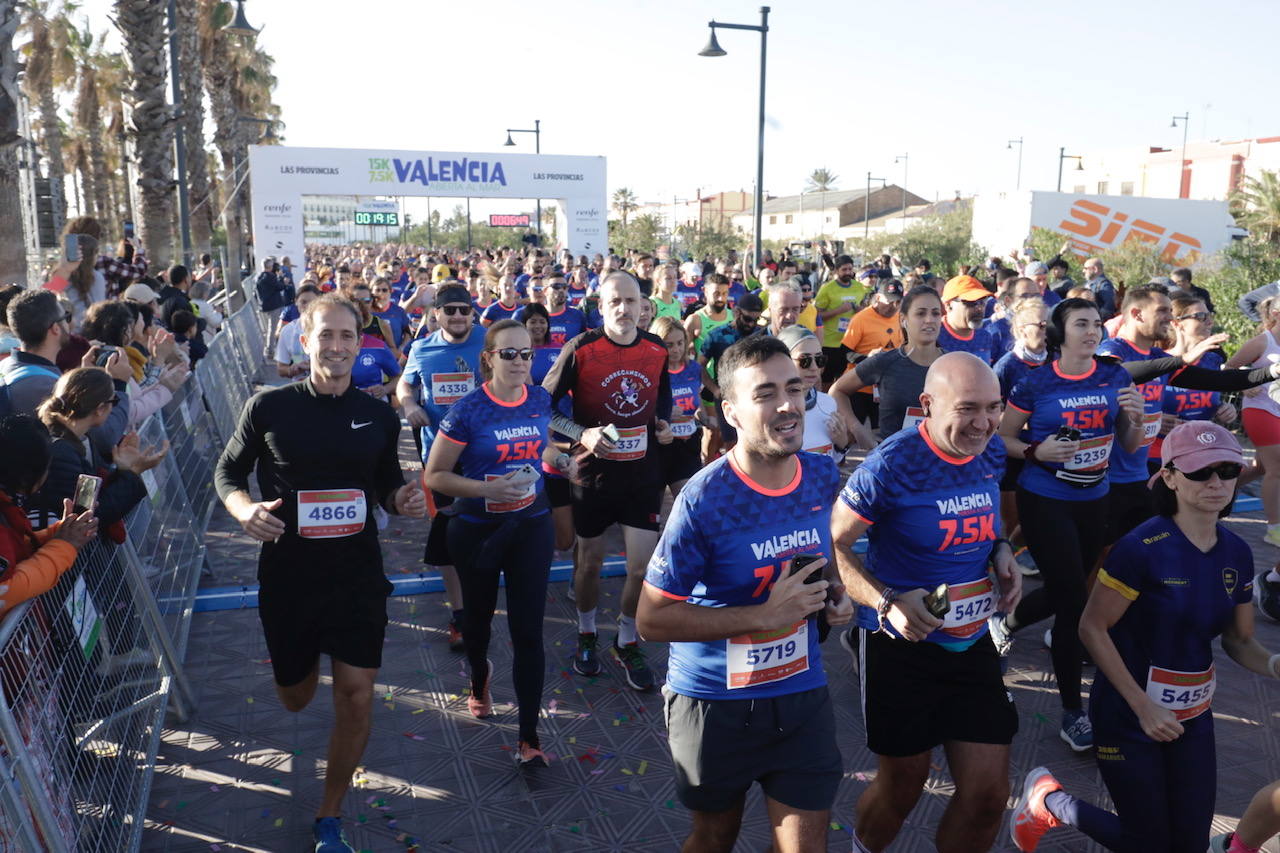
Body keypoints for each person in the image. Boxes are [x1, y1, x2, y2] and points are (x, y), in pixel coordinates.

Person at [214, 293, 427, 853]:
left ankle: (329, 815)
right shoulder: (270, 408)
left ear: (360, 345)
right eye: (325, 336)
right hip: (289, 578)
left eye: (347, 337)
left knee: (356, 694)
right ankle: (300, 670)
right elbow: (228, 472)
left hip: (357, 576)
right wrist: (244, 511)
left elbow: (384, 481)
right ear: (304, 341)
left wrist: (399, 499)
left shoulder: (379, 415)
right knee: (295, 696)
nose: (336, 346)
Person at [1011, 422, 1280, 853]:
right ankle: (1050, 800)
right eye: (1200, 472)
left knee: (1190, 844)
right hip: (1128, 713)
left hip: (1193, 715)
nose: (1216, 483)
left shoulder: (1237, 552)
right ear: (1169, 476)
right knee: (1149, 844)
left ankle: (1051, 800)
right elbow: (1090, 627)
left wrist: (1272, 664)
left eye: (1227, 471)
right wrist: (1143, 705)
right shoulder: (1141, 547)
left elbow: (1240, 640)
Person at [638, 334, 851, 853]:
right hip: (714, 704)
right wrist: (763, 614)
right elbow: (652, 619)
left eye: (794, 389)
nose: (787, 406)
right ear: (730, 411)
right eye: (765, 394)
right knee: (714, 837)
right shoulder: (705, 499)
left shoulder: (822, 474)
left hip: (801, 694)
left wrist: (837, 595)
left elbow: (827, 555)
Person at [831, 352, 1022, 853]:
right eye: (967, 409)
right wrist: (886, 599)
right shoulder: (892, 463)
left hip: (970, 640)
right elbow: (835, 546)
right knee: (904, 784)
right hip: (900, 643)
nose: (983, 423)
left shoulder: (990, 451)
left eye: (993, 407)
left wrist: (1001, 552)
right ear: (928, 405)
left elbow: (989, 521)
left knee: (988, 795)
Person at [989, 298, 1145, 750]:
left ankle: (1006, 622)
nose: (1093, 331)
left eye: (1097, 323)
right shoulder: (1035, 382)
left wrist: (1136, 420)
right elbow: (1003, 438)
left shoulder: (1114, 375)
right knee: (1075, 599)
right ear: (1061, 333)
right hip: (1045, 498)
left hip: (1096, 497)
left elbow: (1130, 445)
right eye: (1082, 324)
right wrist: (1038, 451)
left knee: (1068, 588)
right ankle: (1073, 712)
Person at [424, 319, 554, 766]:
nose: (519, 362)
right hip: (477, 531)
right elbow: (434, 475)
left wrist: (562, 464)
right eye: (509, 354)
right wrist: (486, 490)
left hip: (531, 527)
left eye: (526, 354)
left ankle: (529, 737)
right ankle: (479, 678)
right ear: (489, 358)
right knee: (477, 627)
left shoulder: (540, 399)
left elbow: (545, 450)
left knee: (528, 633)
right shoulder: (467, 411)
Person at [542, 271, 673, 690]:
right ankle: (585, 632)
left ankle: (626, 638)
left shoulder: (656, 349)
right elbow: (541, 406)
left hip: (641, 476)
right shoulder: (581, 348)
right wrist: (582, 434)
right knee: (590, 565)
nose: (624, 309)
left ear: (642, 306)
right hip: (592, 477)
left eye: (631, 301)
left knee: (640, 569)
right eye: (615, 301)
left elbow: (661, 401)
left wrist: (664, 424)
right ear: (601, 307)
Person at [398, 285, 486, 650]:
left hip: (486, 453)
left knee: (488, 532)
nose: (458, 317)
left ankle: (485, 603)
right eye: (449, 310)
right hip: (439, 457)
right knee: (449, 536)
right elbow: (405, 384)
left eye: (464, 310)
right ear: (436, 314)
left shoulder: (488, 340)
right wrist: (408, 405)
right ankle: (461, 614)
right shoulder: (421, 349)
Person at [0, 414, 98, 615]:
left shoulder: (7, 506)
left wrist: (59, 533)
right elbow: (6, 590)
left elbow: (14, 549)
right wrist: (64, 546)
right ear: (30, 477)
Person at [830, 285, 945, 443]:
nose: (929, 319)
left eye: (935, 313)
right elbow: (837, 391)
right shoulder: (886, 362)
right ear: (904, 319)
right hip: (895, 462)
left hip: (939, 462)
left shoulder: (952, 364)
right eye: (920, 313)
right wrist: (857, 429)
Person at [698, 292, 766, 463]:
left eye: (756, 320)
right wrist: (714, 389)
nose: (752, 324)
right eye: (748, 319)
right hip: (725, 396)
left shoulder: (761, 335)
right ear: (736, 312)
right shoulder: (717, 335)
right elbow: (698, 366)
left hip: (753, 395)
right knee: (732, 441)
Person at [839, 279, 905, 430]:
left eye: (898, 302)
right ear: (878, 297)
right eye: (889, 301)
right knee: (851, 433)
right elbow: (845, 351)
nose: (893, 307)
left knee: (883, 433)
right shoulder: (861, 319)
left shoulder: (900, 318)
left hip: (885, 388)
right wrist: (868, 359)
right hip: (858, 386)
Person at [777, 325, 850, 461]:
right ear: (783, 361)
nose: (814, 367)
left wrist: (841, 445)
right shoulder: (771, 407)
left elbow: (832, 462)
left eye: (819, 360)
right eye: (804, 361)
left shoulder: (828, 403)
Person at [650, 316, 703, 501]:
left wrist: (702, 416)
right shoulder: (651, 372)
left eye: (680, 343)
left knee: (690, 501)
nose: (676, 349)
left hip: (686, 448)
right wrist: (662, 412)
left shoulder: (694, 368)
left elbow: (698, 405)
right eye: (669, 344)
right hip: (657, 448)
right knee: (651, 515)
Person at [813, 255, 867, 389]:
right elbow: (816, 315)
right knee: (826, 380)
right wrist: (839, 310)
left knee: (844, 381)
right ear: (836, 271)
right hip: (829, 343)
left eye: (850, 269)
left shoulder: (859, 287)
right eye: (844, 270)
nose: (848, 272)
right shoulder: (827, 289)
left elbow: (865, 309)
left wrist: (859, 309)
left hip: (850, 342)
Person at [937, 276, 996, 362]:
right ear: (948, 305)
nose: (979, 308)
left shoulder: (985, 337)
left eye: (983, 302)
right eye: (971, 303)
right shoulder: (933, 338)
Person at [275, 284, 322, 380]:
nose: (308, 306)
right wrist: (292, 369)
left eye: (313, 302)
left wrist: (312, 366)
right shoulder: (287, 331)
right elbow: (281, 369)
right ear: (296, 302)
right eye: (303, 302)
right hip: (300, 386)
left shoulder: (329, 327)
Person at [684, 273, 734, 360]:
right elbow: (682, 353)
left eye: (724, 293)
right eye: (716, 294)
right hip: (704, 372)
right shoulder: (695, 320)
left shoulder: (735, 317)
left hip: (730, 372)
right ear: (705, 291)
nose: (721, 298)